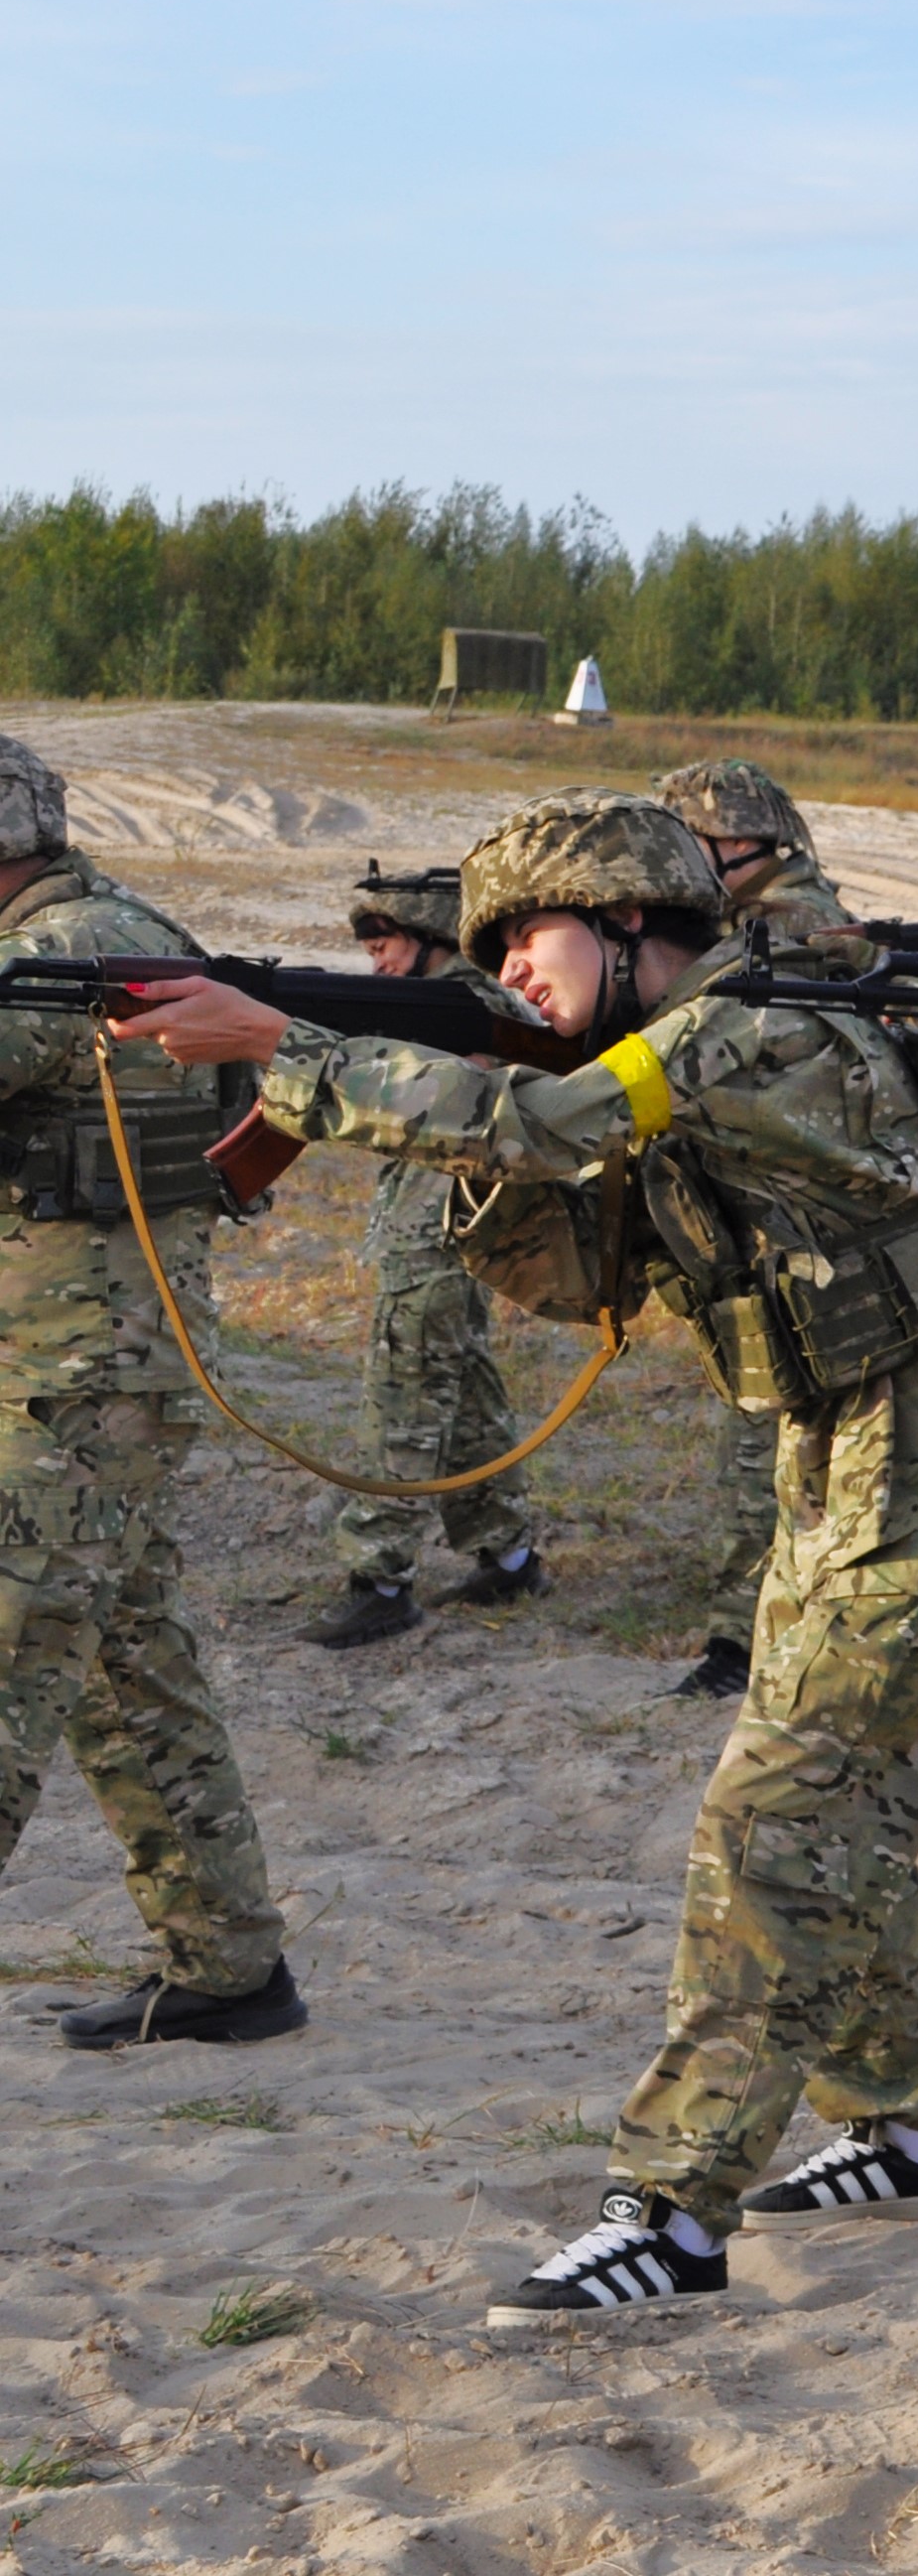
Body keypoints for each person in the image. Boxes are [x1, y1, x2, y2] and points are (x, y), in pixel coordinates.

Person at [118, 789, 918, 2320]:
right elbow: (576, 1265)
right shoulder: (681, 1063)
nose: (514, 976)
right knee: (829, 1818)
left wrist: (280, 1053)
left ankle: (673, 2215)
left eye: (530, 943)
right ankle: (904, 2128)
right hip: (854, 1469)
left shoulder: (754, 1029)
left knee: (779, 1827)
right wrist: (472, 1105)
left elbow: (550, 1124)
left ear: (632, 922)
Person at [0, 733, 305, 2052]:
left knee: (12, 1651)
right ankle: (229, 1964)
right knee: (129, 1667)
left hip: (80, 1371)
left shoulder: (55, 958)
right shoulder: (125, 925)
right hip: (104, 1359)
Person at [651, 757, 856, 1702]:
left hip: (802, 1222)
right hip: (784, 1212)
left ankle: (751, 1639)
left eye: (687, 843)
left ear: (740, 845)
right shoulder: (766, 919)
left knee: (775, 1433)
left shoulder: (785, 931)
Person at [304, 864, 545, 1650]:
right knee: (462, 1382)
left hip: (444, 1216)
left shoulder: (479, 1010)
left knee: (407, 1382)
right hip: (448, 1216)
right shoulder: (456, 1004)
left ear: (432, 935)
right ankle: (508, 1555)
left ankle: (381, 1578)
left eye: (385, 944)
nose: (375, 960)